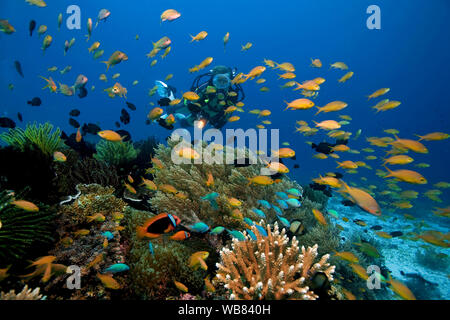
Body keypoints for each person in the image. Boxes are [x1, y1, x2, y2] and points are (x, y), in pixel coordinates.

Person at [156, 65, 244, 129]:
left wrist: (219, 124)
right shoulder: (206, 88)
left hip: (209, 115)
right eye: (218, 81)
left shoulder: (232, 96)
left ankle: (180, 116)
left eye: (224, 81)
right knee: (171, 109)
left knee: (184, 124)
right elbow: (191, 98)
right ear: (213, 80)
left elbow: (228, 113)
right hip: (194, 106)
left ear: (230, 81)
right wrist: (194, 108)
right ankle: (170, 95)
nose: (220, 85)